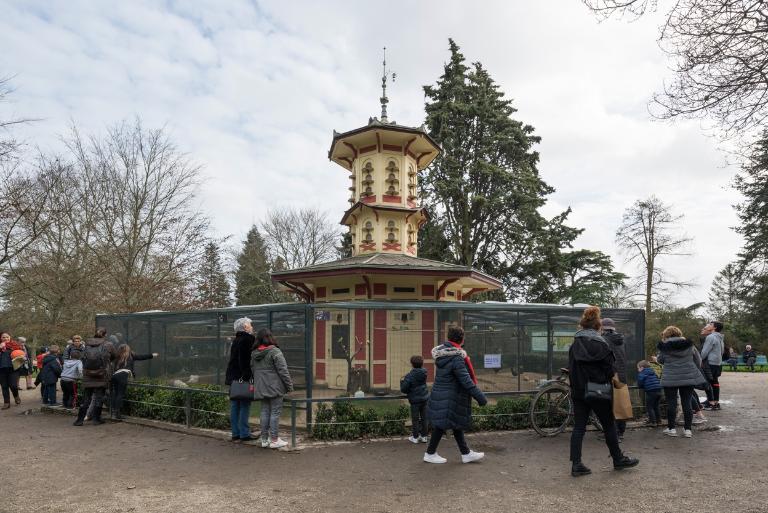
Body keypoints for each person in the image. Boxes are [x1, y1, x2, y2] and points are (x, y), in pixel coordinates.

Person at [568, 306, 638, 477]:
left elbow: (571, 368)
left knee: (579, 428)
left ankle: (576, 465)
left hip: (578, 391)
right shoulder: (603, 344)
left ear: (582, 326)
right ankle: (618, 459)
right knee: (608, 425)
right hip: (598, 390)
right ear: (598, 327)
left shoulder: (574, 344)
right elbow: (610, 369)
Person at [424, 326, 486, 464]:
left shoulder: (444, 355)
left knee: (455, 424)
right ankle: (430, 453)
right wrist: (480, 397)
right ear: (462, 339)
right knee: (441, 426)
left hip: (444, 394)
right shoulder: (456, 358)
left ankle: (466, 453)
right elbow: (466, 381)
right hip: (449, 397)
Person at [657, 326, 703, 438]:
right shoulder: (689, 345)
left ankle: (671, 429)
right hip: (688, 377)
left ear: (666, 335)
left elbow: (660, 360)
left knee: (671, 403)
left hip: (670, 378)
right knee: (686, 403)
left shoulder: (664, 346)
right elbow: (698, 360)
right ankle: (688, 430)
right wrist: (691, 369)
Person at [251, 328, 293, 449]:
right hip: (275, 388)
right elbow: (283, 370)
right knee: (275, 412)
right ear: (270, 337)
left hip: (261, 387)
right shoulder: (275, 352)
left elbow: (253, 370)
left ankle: (264, 440)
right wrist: (289, 386)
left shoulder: (254, 354)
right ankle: (274, 440)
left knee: (264, 411)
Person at [73, 328, 116, 426]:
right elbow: (114, 356)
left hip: (88, 374)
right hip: (101, 374)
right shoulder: (108, 344)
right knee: (99, 397)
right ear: (105, 335)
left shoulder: (87, 344)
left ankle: (79, 420)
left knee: (86, 399)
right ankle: (96, 419)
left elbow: (82, 357)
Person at [225, 317, 255, 443]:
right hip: (242, 377)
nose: (252, 327)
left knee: (235, 404)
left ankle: (235, 433)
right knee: (244, 404)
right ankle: (244, 433)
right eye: (250, 325)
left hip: (233, 377)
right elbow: (244, 360)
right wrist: (247, 375)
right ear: (245, 327)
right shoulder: (247, 339)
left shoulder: (236, 339)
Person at [110, 344, 157, 419]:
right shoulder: (131, 355)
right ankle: (116, 414)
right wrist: (152, 355)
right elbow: (141, 357)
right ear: (128, 349)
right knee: (120, 394)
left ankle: (113, 413)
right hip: (123, 375)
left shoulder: (117, 356)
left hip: (115, 375)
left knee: (115, 394)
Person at [602, 318, 627, 440]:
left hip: (610, 374)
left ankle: (613, 434)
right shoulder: (620, 339)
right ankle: (620, 432)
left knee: (608, 404)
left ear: (603, 328)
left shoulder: (604, 339)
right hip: (621, 374)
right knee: (620, 403)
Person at [400, 355, 429, 443]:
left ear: (412, 364)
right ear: (422, 363)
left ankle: (415, 437)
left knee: (415, 419)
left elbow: (404, 389)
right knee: (425, 418)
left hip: (415, 400)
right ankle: (424, 437)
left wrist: (402, 381)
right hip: (424, 398)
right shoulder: (424, 372)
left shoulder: (410, 375)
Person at [700, 321, 724, 410]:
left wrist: (700, 359)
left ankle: (711, 403)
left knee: (708, 382)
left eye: (710, 324)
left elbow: (704, 352)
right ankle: (716, 402)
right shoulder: (720, 337)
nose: (708, 325)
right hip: (718, 363)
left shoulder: (711, 337)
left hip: (710, 363)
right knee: (715, 382)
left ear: (714, 328)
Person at [0, 333, 23, 409]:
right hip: (1, 369)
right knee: (4, 386)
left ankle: (16, 396)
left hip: (13, 369)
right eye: (3, 337)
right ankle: (6, 403)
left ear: (10, 337)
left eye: (7, 337)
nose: (5, 338)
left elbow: (21, 356)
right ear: (1, 338)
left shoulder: (15, 346)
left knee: (13, 385)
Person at [636, 360, 662, 426]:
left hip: (651, 391)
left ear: (642, 368)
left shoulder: (642, 373)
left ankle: (653, 422)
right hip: (658, 390)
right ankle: (659, 421)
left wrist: (641, 386)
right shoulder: (652, 371)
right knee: (656, 406)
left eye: (638, 368)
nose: (638, 370)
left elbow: (640, 383)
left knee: (649, 407)